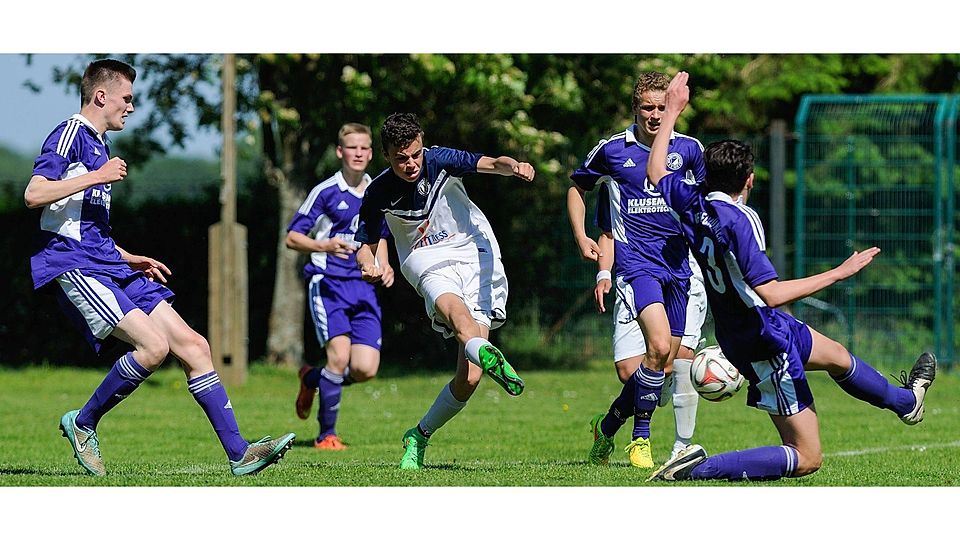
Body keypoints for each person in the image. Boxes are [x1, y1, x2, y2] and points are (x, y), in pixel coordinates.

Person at [645, 71, 936, 482]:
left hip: (750, 326)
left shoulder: (690, 201)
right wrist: (839, 273)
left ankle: (907, 403)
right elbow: (772, 293)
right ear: (749, 180)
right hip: (762, 337)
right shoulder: (739, 219)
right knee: (808, 457)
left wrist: (673, 111)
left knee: (836, 356)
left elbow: (656, 169)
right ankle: (696, 468)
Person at [24, 59, 294, 477]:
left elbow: (81, 223)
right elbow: (35, 194)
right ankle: (84, 422)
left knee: (195, 346)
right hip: (73, 264)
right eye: (127, 98)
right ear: (101, 96)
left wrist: (129, 257)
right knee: (153, 347)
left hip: (106, 261)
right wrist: (95, 176)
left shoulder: (100, 144)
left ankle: (240, 454)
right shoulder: (70, 134)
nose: (131, 107)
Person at [354, 112, 533, 470]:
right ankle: (487, 353)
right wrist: (367, 265)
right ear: (386, 156)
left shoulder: (439, 160)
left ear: (423, 145)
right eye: (401, 158)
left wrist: (514, 166)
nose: (411, 164)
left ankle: (418, 435)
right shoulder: (378, 192)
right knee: (456, 313)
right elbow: (365, 245)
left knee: (470, 377)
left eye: (415, 154)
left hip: (473, 251)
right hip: (425, 259)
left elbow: (490, 162)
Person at [566, 71, 706, 468]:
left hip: (679, 265)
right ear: (635, 108)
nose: (655, 115)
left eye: (662, 107)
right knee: (658, 347)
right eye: (647, 107)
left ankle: (607, 425)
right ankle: (640, 440)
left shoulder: (689, 149)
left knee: (662, 363)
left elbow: (706, 202)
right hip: (636, 264)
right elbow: (577, 187)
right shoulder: (612, 150)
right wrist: (582, 236)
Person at [288, 122, 394, 450]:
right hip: (328, 284)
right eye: (352, 147)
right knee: (338, 358)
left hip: (363, 288)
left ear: (371, 153)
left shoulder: (379, 190)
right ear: (340, 152)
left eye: (364, 148)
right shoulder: (325, 192)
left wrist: (385, 266)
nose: (358, 153)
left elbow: (381, 237)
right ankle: (326, 436)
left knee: (364, 369)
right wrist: (324, 246)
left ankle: (312, 378)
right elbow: (292, 237)